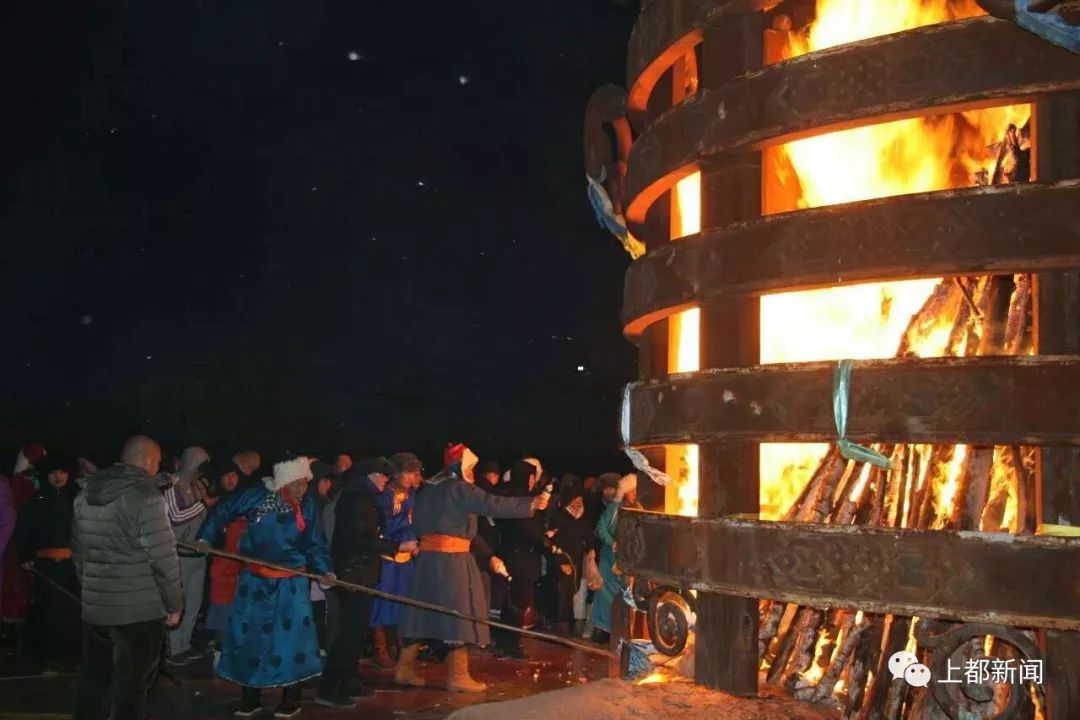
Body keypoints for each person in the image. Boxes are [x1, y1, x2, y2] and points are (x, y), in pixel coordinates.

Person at [395, 443, 548, 693]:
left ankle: (404, 668)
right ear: (462, 466)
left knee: (420, 614)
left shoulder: (428, 491)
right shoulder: (460, 489)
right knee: (459, 614)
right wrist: (530, 504)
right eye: (471, 468)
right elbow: (492, 504)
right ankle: (457, 675)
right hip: (452, 562)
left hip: (427, 561)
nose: (474, 473)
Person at [197, 455, 332, 719]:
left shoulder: (308, 507)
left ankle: (291, 698)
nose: (302, 490)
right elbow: (222, 511)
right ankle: (250, 697)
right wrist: (205, 537)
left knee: (292, 641)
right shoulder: (256, 497)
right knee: (250, 638)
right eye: (297, 485)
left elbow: (316, 542)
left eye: (306, 484)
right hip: (255, 582)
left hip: (292, 583)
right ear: (284, 482)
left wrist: (326, 569)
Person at [72, 435, 183, 720]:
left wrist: (92, 591)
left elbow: (79, 552)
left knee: (94, 682)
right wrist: (174, 603)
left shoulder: (85, 492)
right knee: (131, 689)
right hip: (140, 612)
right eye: (157, 462)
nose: (158, 468)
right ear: (147, 461)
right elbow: (162, 557)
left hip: (97, 610)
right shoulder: (146, 496)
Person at [317, 457, 416, 707]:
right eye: (383, 477)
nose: (386, 481)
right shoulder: (358, 499)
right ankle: (331, 685)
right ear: (371, 476)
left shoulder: (363, 498)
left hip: (362, 570)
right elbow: (362, 539)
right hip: (354, 571)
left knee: (358, 629)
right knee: (350, 631)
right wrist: (396, 545)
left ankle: (348, 678)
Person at [16, 457, 82, 670]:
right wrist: (26, 556)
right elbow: (24, 532)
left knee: (72, 612)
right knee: (47, 613)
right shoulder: (37, 500)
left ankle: (73, 658)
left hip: (73, 567)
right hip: (46, 568)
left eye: (62, 471)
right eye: (53, 472)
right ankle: (47, 659)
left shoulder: (78, 499)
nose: (58, 476)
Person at [369, 452, 422, 668]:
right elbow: (385, 527)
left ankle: (399, 645)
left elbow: (412, 523)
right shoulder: (383, 496)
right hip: (387, 556)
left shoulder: (411, 496)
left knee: (403, 601)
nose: (412, 478)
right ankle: (379, 648)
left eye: (415, 474)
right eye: (408, 473)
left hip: (406, 557)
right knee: (381, 602)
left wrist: (415, 541)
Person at [165, 446, 213, 665]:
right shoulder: (172, 486)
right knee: (179, 604)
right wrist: (203, 504)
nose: (200, 471)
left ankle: (185, 643)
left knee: (194, 604)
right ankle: (175, 648)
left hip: (198, 555)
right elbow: (175, 516)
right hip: (180, 556)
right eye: (199, 466)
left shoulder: (198, 486)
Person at [493, 460, 545, 658]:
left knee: (511, 601)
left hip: (511, 553)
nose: (533, 482)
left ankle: (505, 642)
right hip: (521, 556)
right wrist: (545, 540)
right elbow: (530, 530)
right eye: (531, 477)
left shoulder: (508, 495)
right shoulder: (522, 500)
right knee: (518, 601)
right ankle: (510, 644)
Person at [589, 473, 641, 644]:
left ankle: (622, 630)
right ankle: (601, 630)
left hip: (627, 560)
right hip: (609, 558)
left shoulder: (639, 510)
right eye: (631, 491)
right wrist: (612, 542)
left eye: (635, 491)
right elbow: (600, 528)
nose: (634, 495)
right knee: (604, 594)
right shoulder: (614, 509)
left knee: (625, 594)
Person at [204, 461, 249, 653]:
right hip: (220, 564)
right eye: (227, 475)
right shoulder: (217, 502)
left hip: (239, 566)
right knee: (220, 610)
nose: (231, 479)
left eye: (234, 475)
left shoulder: (244, 501)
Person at [3, 444, 46, 631]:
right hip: (21, 540)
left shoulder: (21, 481)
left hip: (19, 540)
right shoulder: (29, 481)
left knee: (18, 584)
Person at [543, 478, 590, 636]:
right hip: (561, 560)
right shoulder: (559, 517)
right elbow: (551, 540)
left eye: (580, 499)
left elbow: (588, 536)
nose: (577, 503)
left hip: (576, 560)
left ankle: (566, 625)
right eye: (574, 499)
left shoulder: (583, 516)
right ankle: (560, 627)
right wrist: (561, 561)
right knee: (561, 592)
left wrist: (591, 549)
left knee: (570, 592)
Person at [305, 461, 336, 655]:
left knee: (319, 604)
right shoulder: (308, 504)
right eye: (324, 481)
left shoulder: (325, 502)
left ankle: (320, 643)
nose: (328, 485)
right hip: (308, 565)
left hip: (321, 563)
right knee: (307, 604)